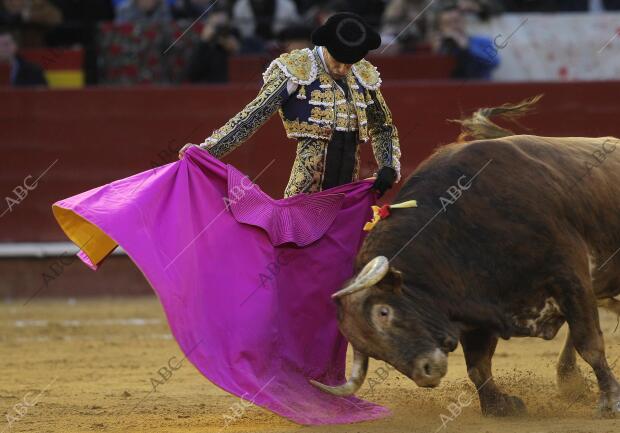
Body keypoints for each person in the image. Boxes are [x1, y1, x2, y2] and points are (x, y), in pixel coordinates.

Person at [179, 12, 401, 198]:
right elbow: (254, 114)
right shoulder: (297, 68)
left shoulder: (362, 73)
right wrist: (208, 151)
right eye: (337, 61)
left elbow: (383, 126)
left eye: (349, 64)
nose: (343, 69)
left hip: (347, 194)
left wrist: (388, 166)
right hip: (305, 193)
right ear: (325, 47)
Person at [431, 1, 499, 79]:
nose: (453, 26)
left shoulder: (481, 41)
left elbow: (495, 62)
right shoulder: (441, 45)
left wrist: (468, 47)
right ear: (441, 27)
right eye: (447, 24)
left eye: (456, 21)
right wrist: (436, 54)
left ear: (464, 22)